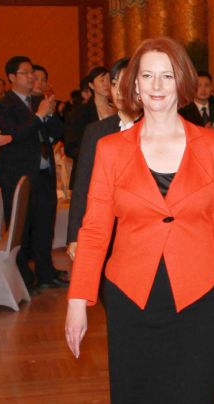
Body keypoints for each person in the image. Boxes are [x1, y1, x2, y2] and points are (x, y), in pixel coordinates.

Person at [65, 37, 214, 404]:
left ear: (181, 82)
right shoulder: (110, 149)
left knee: (194, 392)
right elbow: (94, 230)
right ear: (134, 84)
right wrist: (78, 301)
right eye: (148, 76)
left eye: (167, 76)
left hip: (200, 293)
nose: (156, 86)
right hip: (131, 293)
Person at [0, 56, 64, 291]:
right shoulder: (4, 104)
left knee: (45, 224)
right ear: (12, 77)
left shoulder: (38, 101)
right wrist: (38, 117)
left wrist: (50, 112)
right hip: (18, 176)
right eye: (25, 73)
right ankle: (24, 278)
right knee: (22, 228)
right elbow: (14, 135)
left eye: (32, 72)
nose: (31, 76)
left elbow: (58, 131)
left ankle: (46, 273)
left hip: (44, 173)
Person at [65, 57, 138, 260]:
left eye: (126, 84)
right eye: (114, 84)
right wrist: (74, 235)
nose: (119, 90)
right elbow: (82, 186)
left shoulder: (155, 129)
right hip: (106, 227)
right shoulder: (97, 132)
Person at [64, 66, 116, 189]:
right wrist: (96, 156)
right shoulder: (79, 113)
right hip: (88, 172)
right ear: (91, 85)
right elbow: (70, 147)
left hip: (114, 171)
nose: (106, 84)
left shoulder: (118, 110)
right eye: (102, 80)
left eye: (109, 80)